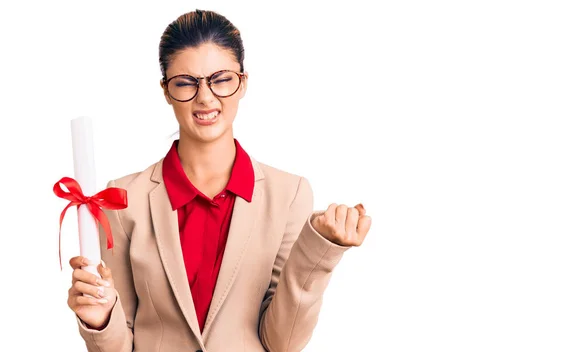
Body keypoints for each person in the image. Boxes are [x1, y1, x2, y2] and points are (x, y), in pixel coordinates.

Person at [66, 9, 371, 352]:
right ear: (166, 90)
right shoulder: (122, 200)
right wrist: (102, 319)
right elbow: (122, 343)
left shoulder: (288, 194)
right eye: (185, 83)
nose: (206, 97)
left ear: (243, 83)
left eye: (221, 78)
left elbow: (282, 342)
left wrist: (319, 251)